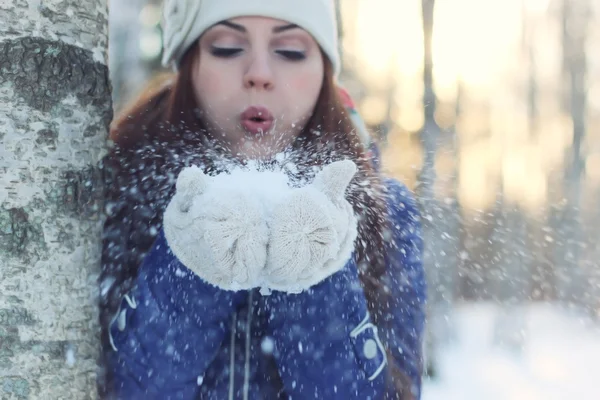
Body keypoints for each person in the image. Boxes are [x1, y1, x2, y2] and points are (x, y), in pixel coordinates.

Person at [98, 0, 426, 399]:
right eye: (227, 48)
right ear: (190, 68)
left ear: (323, 70)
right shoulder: (117, 188)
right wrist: (189, 269)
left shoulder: (386, 210)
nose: (258, 74)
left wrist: (316, 279)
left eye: (289, 51)